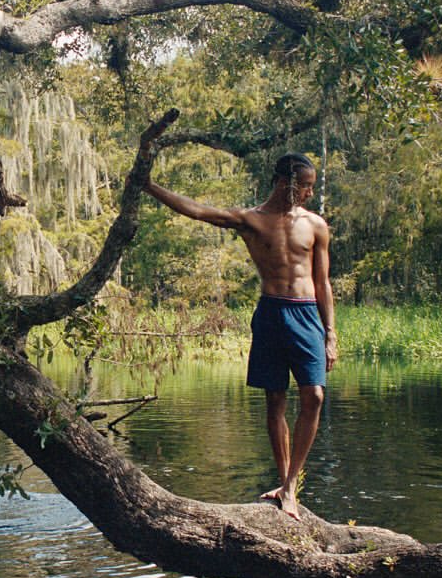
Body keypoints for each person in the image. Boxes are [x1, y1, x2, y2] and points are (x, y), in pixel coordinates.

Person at [144, 152, 337, 520]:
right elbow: (198, 210)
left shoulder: (315, 225)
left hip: (307, 314)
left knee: (313, 395)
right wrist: (150, 186)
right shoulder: (250, 220)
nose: (311, 193)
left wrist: (330, 334)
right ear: (287, 184)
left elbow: (322, 282)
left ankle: (291, 481)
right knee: (275, 401)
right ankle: (285, 485)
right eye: (307, 185)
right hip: (271, 313)